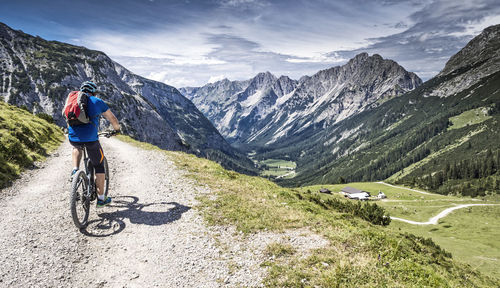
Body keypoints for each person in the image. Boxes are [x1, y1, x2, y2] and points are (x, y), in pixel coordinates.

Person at [67, 81, 121, 207]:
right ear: (93, 92)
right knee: (99, 165)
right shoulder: (97, 101)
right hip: (91, 139)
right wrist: (117, 130)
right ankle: (101, 199)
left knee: (77, 147)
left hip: (73, 137)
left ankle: (75, 170)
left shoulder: (72, 100)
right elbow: (112, 118)